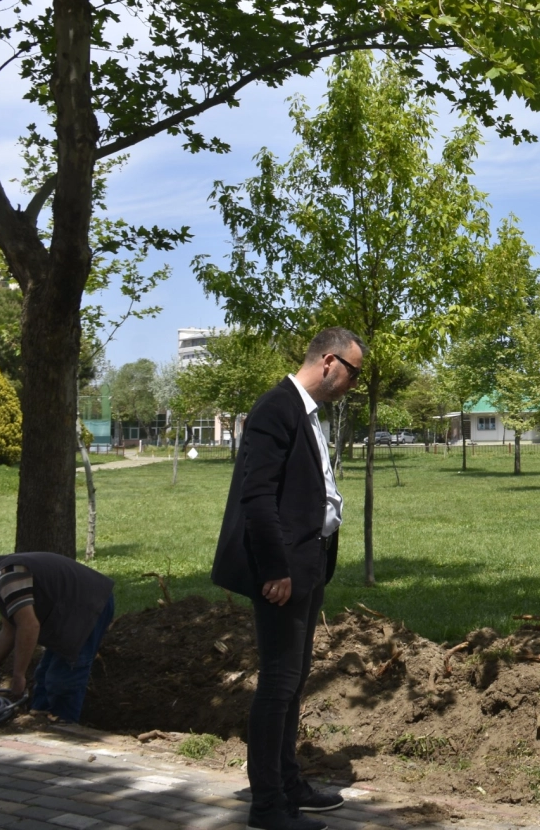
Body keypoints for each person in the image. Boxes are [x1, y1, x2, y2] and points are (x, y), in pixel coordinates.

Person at [212, 327, 364, 830]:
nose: (354, 384)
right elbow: (256, 497)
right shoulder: (275, 408)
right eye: (353, 372)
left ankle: (288, 781)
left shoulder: (305, 413)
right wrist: (275, 569)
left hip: (309, 562)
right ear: (328, 362)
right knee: (278, 684)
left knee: (294, 680)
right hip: (283, 571)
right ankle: (269, 806)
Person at [0, 551, 114, 722]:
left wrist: (18, 675)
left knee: (62, 680)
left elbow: (29, 625)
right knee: (43, 676)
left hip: (89, 606)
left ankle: (65, 730)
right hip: (70, 611)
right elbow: (9, 631)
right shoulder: (2, 578)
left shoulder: (8, 575)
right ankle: (38, 722)